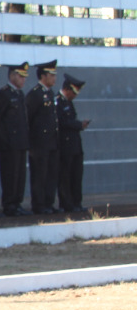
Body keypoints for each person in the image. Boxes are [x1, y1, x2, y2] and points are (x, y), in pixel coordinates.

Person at [0, 62, 31, 217]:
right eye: (20, 76)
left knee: (19, 176)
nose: (23, 79)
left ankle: (17, 203)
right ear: (12, 76)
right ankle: (9, 204)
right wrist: (5, 140)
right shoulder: (4, 94)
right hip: (9, 144)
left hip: (21, 142)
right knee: (10, 175)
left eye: (25, 77)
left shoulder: (19, 94)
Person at [26, 60, 60, 214]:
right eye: (51, 75)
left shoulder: (50, 93)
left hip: (51, 142)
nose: (54, 78)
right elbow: (30, 118)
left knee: (50, 174)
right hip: (39, 143)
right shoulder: (35, 94)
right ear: (44, 76)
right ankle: (39, 205)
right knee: (39, 175)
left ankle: (48, 202)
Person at [56, 74, 89, 213]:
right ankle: (67, 204)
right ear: (67, 89)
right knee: (65, 177)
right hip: (65, 146)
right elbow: (62, 122)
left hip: (75, 146)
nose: (75, 96)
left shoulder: (69, 103)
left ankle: (76, 202)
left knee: (76, 176)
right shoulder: (58, 102)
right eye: (74, 92)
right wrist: (78, 125)